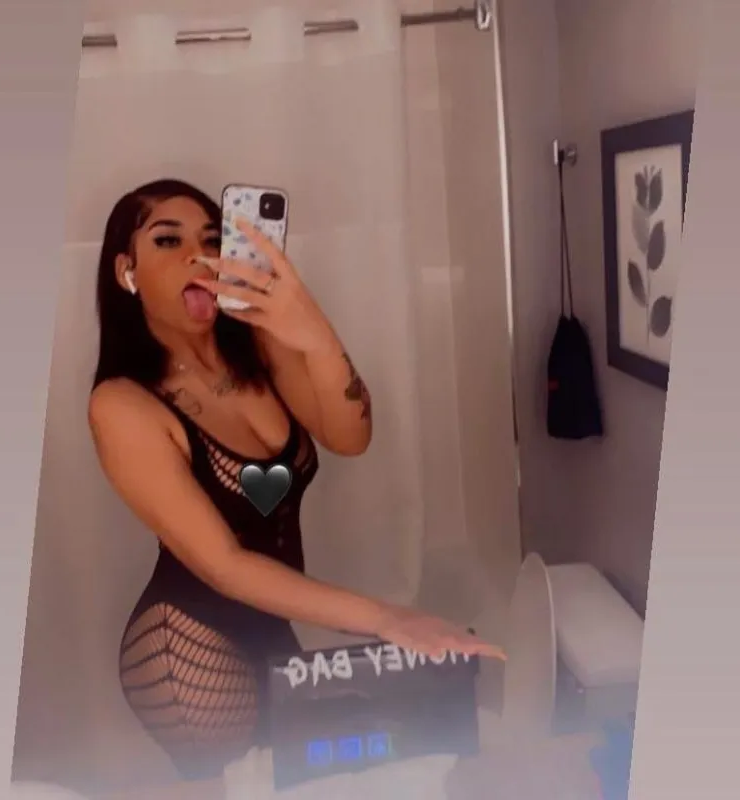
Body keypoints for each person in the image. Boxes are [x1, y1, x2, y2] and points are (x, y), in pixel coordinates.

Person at [88, 178, 505, 789]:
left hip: (271, 614)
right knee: (257, 786)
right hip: (189, 644)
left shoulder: (255, 348)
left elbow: (350, 435)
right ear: (127, 271)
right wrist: (387, 619)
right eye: (168, 241)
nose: (198, 255)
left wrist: (312, 330)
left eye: (212, 238)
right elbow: (225, 565)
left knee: (314, 777)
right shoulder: (122, 405)